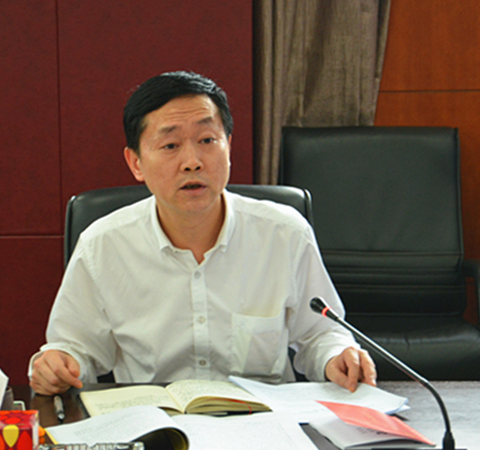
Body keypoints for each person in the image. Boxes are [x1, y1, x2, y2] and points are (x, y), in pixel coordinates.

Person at [29, 71, 376, 395]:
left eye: (207, 140)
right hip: (156, 422)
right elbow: (75, 348)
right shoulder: (102, 246)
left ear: (228, 147)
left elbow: (319, 335)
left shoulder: (284, 234)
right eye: (170, 146)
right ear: (136, 163)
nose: (192, 161)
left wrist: (337, 356)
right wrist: (58, 364)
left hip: (260, 423)